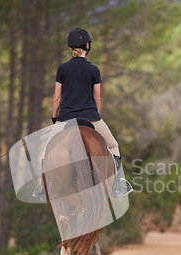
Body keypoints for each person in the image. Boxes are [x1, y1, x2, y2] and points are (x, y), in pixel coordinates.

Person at [46, 27, 132, 198]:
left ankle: (43, 188)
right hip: (91, 119)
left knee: (48, 149)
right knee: (114, 146)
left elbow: (57, 98)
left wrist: (55, 118)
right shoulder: (94, 70)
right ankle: (116, 186)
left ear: (71, 47)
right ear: (87, 46)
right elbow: (97, 99)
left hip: (65, 120)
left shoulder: (62, 69)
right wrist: (95, 118)